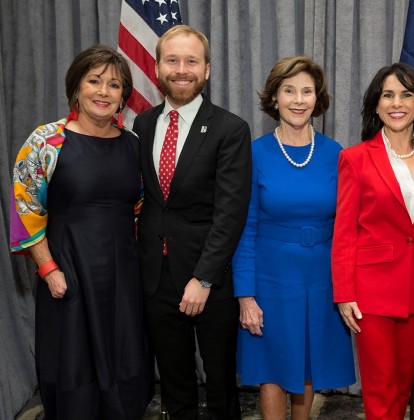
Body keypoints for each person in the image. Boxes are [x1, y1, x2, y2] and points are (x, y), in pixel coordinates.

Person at [10, 45, 152, 419]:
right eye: (94, 81)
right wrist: (48, 270)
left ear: (124, 97)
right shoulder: (46, 141)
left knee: (125, 360)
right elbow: (25, 211)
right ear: (77, 87)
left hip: (123, 274)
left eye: (115, 85)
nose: (104, 92)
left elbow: (138, 209)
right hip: (68, 272)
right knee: (73, 364)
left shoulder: (133, 145)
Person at [133, 25, 252, 419]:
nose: (181, 69)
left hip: (209, 280)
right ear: (156, 68)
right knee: (174, 383)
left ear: (207, 70)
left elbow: (230, 213)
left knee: (219, 386)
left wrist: (203, 279)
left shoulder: (230, 129)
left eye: (191, 61)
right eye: (172, 60)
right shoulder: (143, 125)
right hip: (156, 275)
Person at [232, 55, 356, 419]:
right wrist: (245, 295)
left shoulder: (337, 153)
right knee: (271, 369)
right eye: (289, 91)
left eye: (307, 91)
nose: (299, 99)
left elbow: (348, 224)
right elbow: (245, 227)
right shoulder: (254, 153)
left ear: (318, 99)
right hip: (270, 276)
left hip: (321, 277)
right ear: (274, 98)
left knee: (307, 367)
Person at [331, 63, 414, 420]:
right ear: (376, 106)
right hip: (371, 291)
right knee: (380, 393)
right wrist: (344, 292)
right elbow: (344, 231)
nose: (397, 103)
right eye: (388, 95)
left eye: (407, 95)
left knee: (402, 384)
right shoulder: (355, 158)